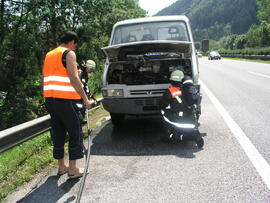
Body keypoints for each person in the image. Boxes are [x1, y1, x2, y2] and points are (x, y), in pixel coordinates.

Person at [43, 31, 91, 178]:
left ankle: (61, 167)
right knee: (75, 130)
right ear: (72, 42)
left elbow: (44, 77)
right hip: (66, 100)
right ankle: (73, 169)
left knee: (58, 132)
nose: (74, 49)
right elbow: (74, 78)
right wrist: (85, 98)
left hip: (50, 100)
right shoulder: (68, 54)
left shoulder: (49, 55)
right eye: (75, 46)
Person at [159, 70, 203, 145]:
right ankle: (193, 135)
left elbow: (162, 104)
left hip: (177, 118)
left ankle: (169, 135)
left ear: (171, 80)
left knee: (163, 113)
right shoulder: (188, 90)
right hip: (190, 117)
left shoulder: (170, 91)